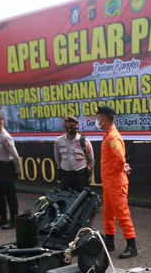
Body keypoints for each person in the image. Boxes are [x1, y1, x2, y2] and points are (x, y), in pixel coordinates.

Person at [95, 104, 137, 259]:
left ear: (103, 118)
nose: (97, 120)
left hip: (116, 184)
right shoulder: (108, 135)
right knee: (108, 214)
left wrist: (121, 168)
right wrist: (121, 167)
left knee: (122, 215)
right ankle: (110, 242)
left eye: (98, 117)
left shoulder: (112, 137)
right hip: (109, 184)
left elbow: (119, 158)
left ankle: (131, 246)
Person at [0, 111, 21, 229]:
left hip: (7, 167)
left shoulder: (5, 137)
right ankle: (3, 218)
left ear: (1, 123)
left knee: (10, 195)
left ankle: (14, 220)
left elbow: (15, 156)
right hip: (0, 167)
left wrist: (17, 171)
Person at [54, 115, 94, 191]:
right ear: (65, 126)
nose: (73, 128)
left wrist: (89, 176)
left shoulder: (84, 141)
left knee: (81, 198)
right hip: (66, 176)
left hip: (80, 176)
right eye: (70, 125)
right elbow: (57, 159)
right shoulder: (59, 141)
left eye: (75, 126)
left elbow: (91, 160)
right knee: (65, 197)